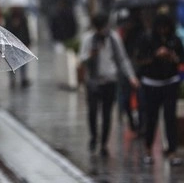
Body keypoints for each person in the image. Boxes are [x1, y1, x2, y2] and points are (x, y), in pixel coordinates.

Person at [79, 12, 139, 157]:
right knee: (93, 112)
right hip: (93, 81)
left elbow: (122, 59)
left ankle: (104, 143)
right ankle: (94, 137)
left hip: (110, 81)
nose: (102, 31)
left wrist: (131, 77)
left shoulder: (114, 39)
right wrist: (90, 55)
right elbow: (82, 59)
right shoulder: (88, 39)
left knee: (107, 113)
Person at [136, 13, 184, 166]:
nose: (163, 30)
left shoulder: (175, 40)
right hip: (151, 84)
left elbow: (181, 59)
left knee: (170, 118)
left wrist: (172, 57)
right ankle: (148, 149)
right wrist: (155, 56)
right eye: (161, 28)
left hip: (170, 82)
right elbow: (140, 60)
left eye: (166, 28)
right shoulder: (147, 39)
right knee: (151, 118)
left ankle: (172, 151)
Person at [4, 7, 31, 87]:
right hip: (12, 44)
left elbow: (26, 30)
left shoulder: (23, 17)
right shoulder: (8, 18)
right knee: (12, 63)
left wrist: (28, 42)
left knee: (23, 63)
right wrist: (13, 25)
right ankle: (12, 80)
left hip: (21, 43)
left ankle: (23, 79)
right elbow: (6, 31)